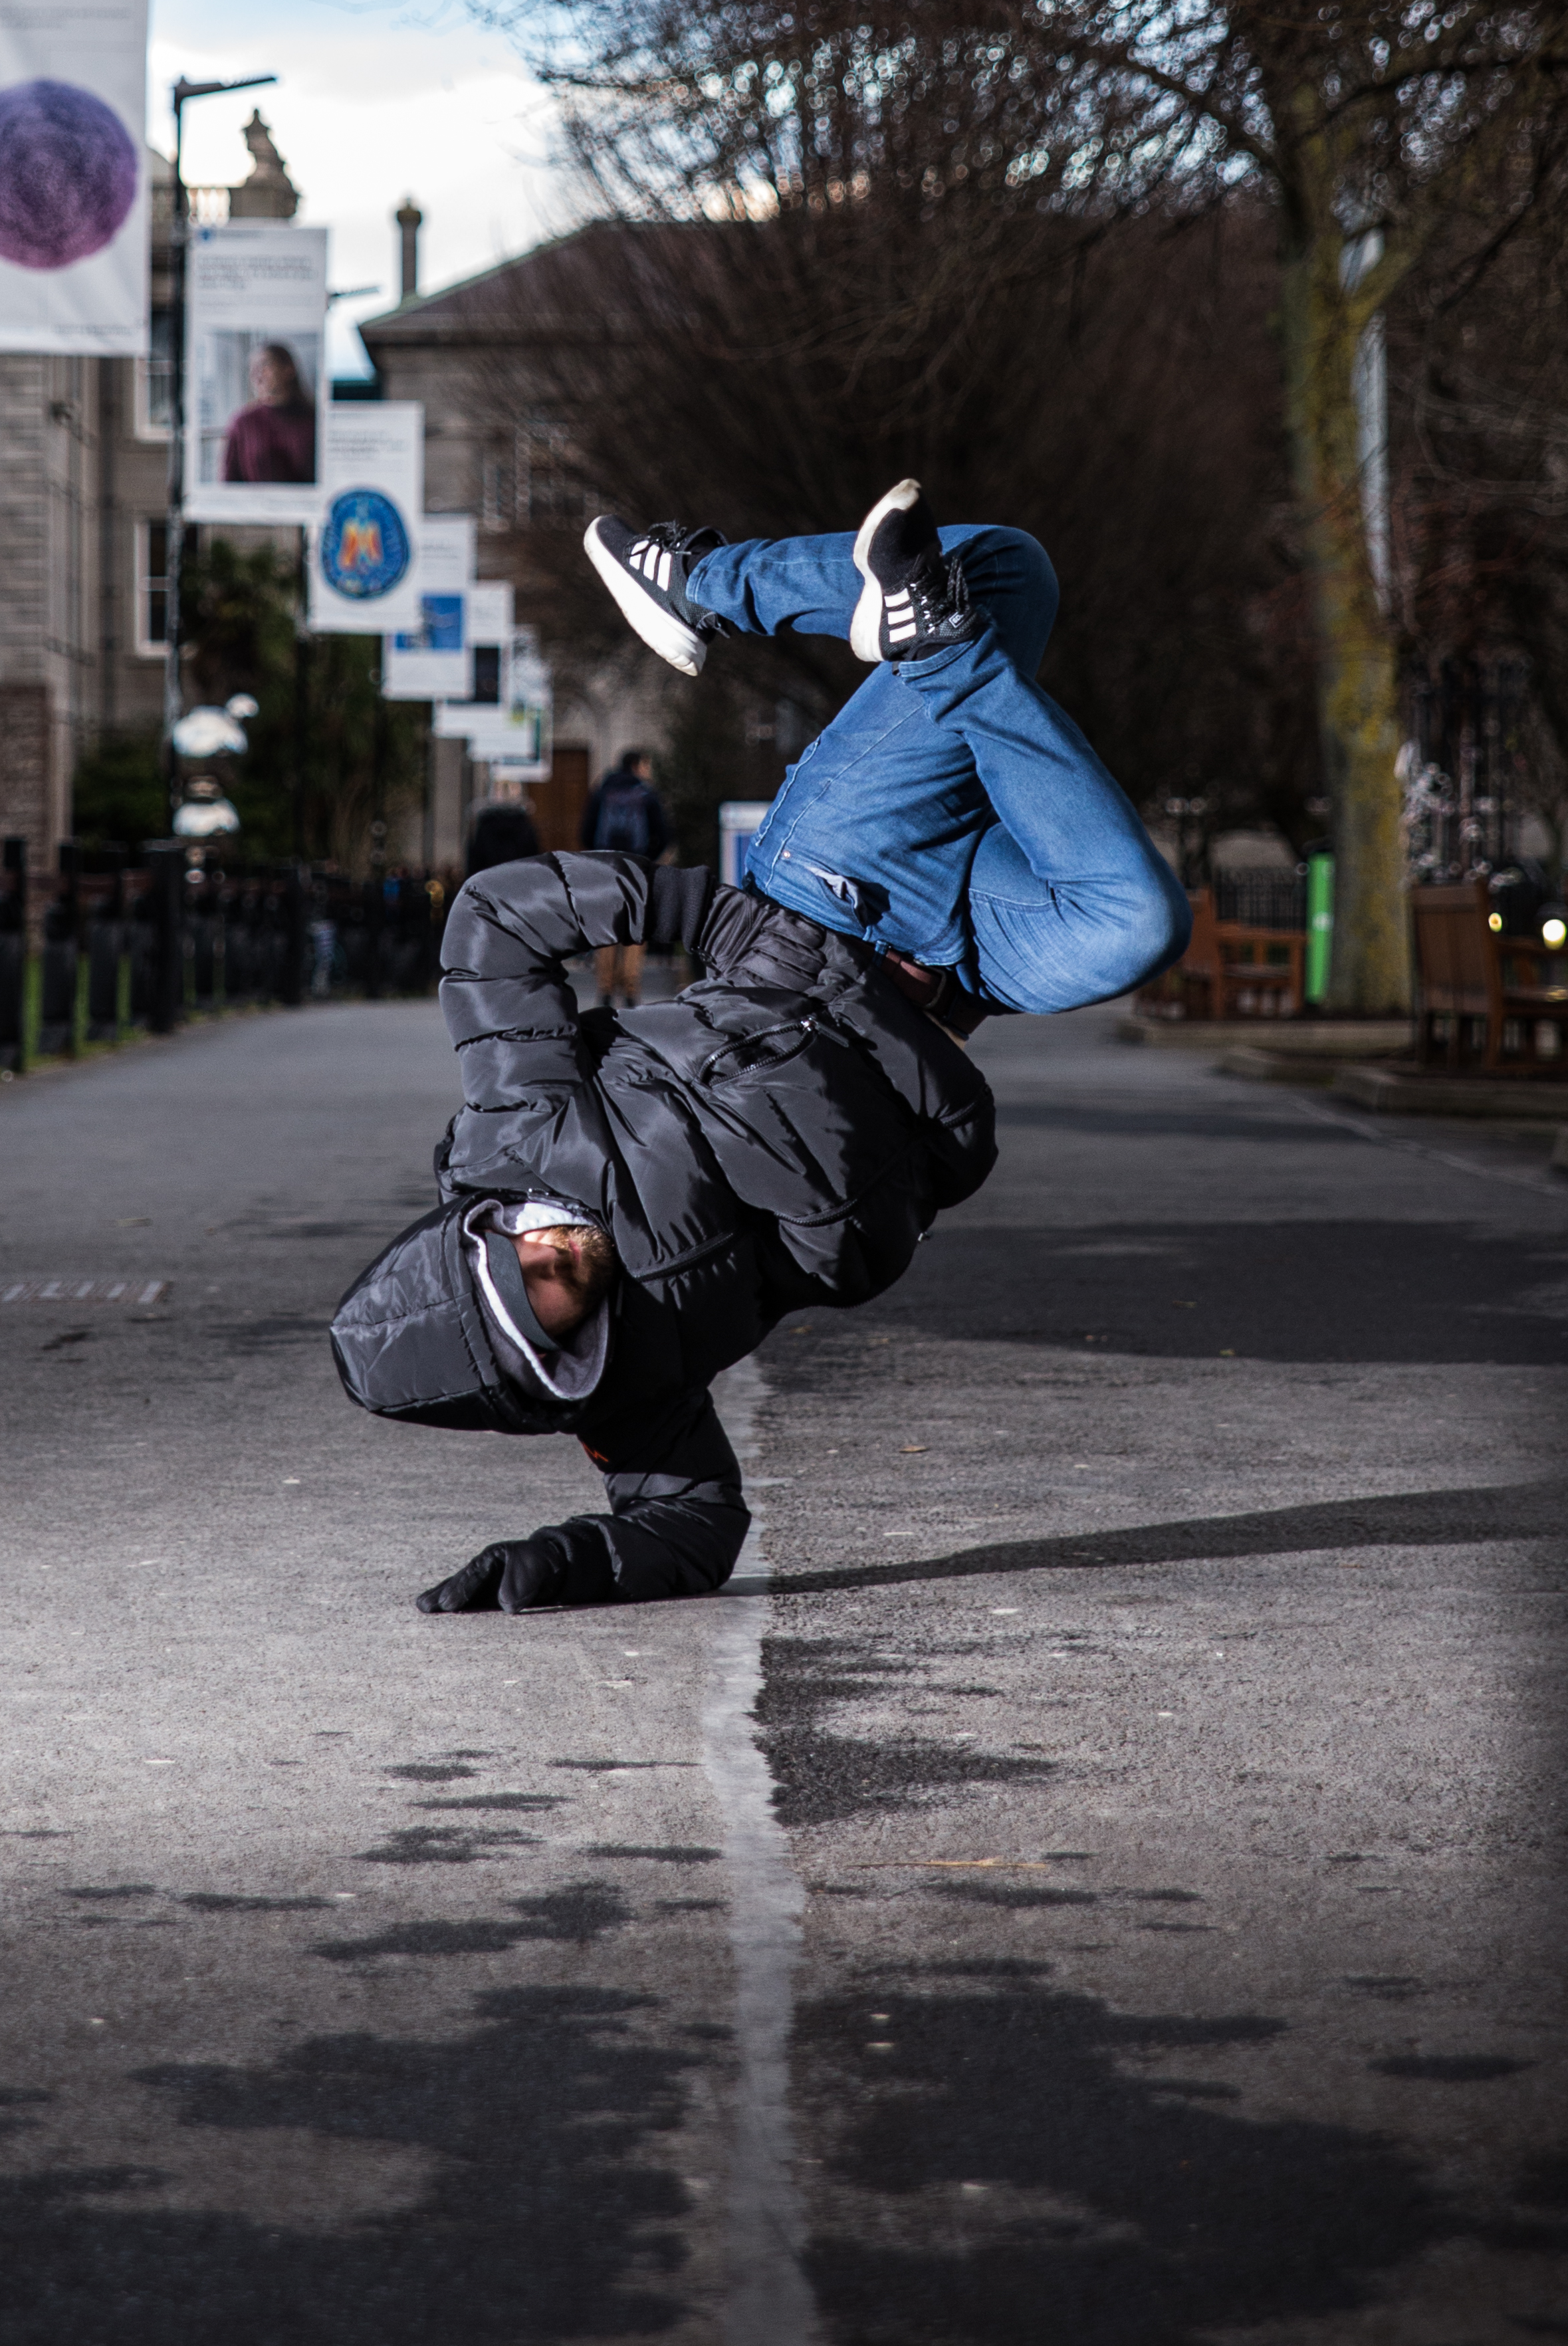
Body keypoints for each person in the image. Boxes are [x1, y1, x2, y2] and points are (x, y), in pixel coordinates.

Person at [329, 480, 1186, 1615]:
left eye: (529, 1267)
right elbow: (691, 1527)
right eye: (560, 1319)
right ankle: (909, 641)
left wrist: (717, 920)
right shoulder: (633, 1389)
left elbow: (493, 923)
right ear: (558, 1372)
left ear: (488, 1231)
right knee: (1133, 920)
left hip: (834, 884)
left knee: (1005, 571)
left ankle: (712, 587)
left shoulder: (516, 1127)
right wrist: (560, 1563)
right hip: (951, 987)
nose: (566, 1271)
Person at [578, 749, 671, 1002]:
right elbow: (663, 835)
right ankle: (630, 987)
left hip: (605, 868)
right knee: (635, 926)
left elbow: (586, 833)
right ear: (637, 765)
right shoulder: (646, 794)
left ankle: (606, 987)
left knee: (607, 927)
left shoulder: (601, 791)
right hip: (637, 869)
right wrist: (647, 858)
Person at [221, 342, 316, 485]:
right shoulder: (243, 422)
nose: (256, 374)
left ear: (288, 369)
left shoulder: (314, 420)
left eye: (265, 365)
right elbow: (229, 482)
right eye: (252, 368)